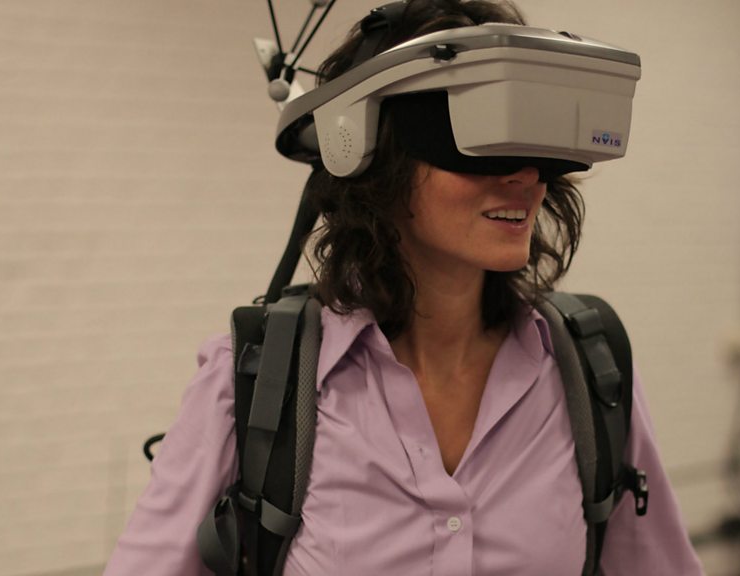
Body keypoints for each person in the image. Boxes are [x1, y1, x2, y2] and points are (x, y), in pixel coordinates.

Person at [105, 1, 704, 574]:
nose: (525, 176)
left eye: (535, 149)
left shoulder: (589, 372)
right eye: (481, 142)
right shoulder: (257, 383)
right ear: (372, 154)